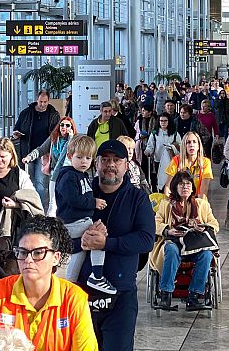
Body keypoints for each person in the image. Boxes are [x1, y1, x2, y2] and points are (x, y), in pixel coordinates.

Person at [0, 216, 98, 351]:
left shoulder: (74, 298)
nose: (28, 260)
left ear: (56, 258)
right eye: (23, 252)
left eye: (38, 253)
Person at [76, 139, 154, 350]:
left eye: (117, 160)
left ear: (126, 166)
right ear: (96, 164)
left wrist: (106, 243)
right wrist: (81, 240)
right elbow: (62, 229)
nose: (111, 165)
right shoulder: (81, 194)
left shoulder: (137, 198)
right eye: (105, 160)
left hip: (121, 294)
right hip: (81, 292)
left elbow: (147, 240)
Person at [55, 135, 115, 294]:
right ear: (69, 156)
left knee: (80, 253)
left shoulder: (81, 175)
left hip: (77, 221)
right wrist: (93, 203)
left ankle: (70, 285)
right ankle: (97, 275)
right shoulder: (68, 176)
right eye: (79, 157)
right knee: (97, 236)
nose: (84, 161)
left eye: (88, 158)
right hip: (72, 222)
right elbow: (72, 199)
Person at [151, 171, 219, 311]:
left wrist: (203, 227)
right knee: (170, 249)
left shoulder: (201, 205)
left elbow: (214, 224)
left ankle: (194, 296)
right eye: (181, 184)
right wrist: (168, 230)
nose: (185, 187)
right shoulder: (166, 204)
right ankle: (166, 294)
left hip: (195, 244)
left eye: (188, 184)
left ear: (192, 187)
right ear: (175, 187)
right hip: (174, 242)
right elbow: (154, 224)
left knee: (206, 255)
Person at [13, 91, 61, 208]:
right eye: (40, 102)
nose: (42, 104)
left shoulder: (53, 114)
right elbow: (16, 128)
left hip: (43, 153)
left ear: (48, 101)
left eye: (45, 102)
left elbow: (56, 134)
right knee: (28, 183)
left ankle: (41, 209)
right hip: (27, 152)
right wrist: (16, 134)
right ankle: (29, 208)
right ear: (36, 100)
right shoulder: (26, 113)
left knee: (40, 184)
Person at [22, 117, 77, 217]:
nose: (64, 127)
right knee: (52, 203)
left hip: (67, 175)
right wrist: (29, 157)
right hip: (54, 173)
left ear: (72, 128)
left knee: (65, 201)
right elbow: (41, 149)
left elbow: (70, 154)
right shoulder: (54, 138)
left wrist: (70, 138)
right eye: (62, 125)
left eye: (67, 125)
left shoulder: (74, 141)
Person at [164, 131, 213, 199]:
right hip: (179, 199)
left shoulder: (206, 162)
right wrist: (167, 204)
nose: (191, 145)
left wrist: (199, 207)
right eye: (188, 142)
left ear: (198, 146)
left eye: (194, 142)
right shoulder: (176, 160)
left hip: (197, 199)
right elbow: (168, 186)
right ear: (184, 146)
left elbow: (204, 189)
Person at [144, 113, 182, 192]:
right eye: (161, 121)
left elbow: (180, 147)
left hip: (171, 162)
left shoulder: (175, 134)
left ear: (169, 122)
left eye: (165, 121)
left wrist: (173, 147)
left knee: (171, 182)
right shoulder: (154, 134)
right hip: (157, 161)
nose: (163, 123)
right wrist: (148, 151)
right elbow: (150, 146)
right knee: (158, 181)